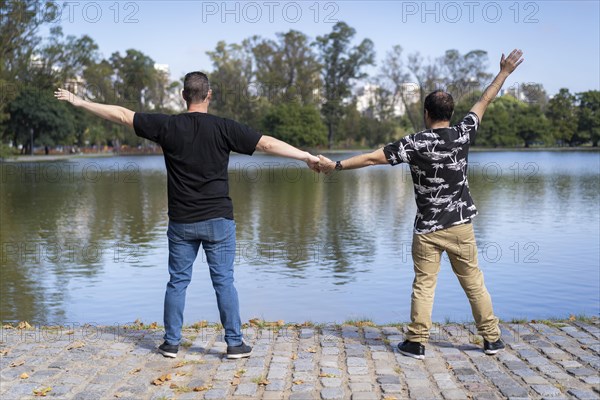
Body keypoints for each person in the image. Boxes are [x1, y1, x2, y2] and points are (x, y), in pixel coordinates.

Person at [55, 71, 320, 359]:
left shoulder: (167, 126)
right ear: (209, 95)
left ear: (183, 96)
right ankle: (234, 343)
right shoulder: (223, 127)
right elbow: (266, 143)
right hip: (219, 220)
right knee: (224, 281)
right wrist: (306, 156)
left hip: (181, 222)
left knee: (177, 281)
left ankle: (171, 343)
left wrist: (79, 101)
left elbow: (121, 114)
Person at [318, 49, 524, 359]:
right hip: (461, 226)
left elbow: (374, 157)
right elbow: (484, 101)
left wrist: (336, 166)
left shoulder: (414, 143)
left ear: (426, 113)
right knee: (474, 282)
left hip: (427, 229)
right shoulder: (463, 133)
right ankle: (492, 339)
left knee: (425, 285)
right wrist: (505, 72)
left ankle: (416, 342)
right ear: (450, 114)